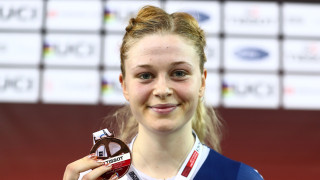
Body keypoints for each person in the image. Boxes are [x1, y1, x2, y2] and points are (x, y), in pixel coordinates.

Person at [63, 5, 263, 180]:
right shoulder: (93, 177)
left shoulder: (240, 177)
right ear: (125, 86)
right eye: (145, 75)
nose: (162, 90)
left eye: (178, 73)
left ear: (202, 82)